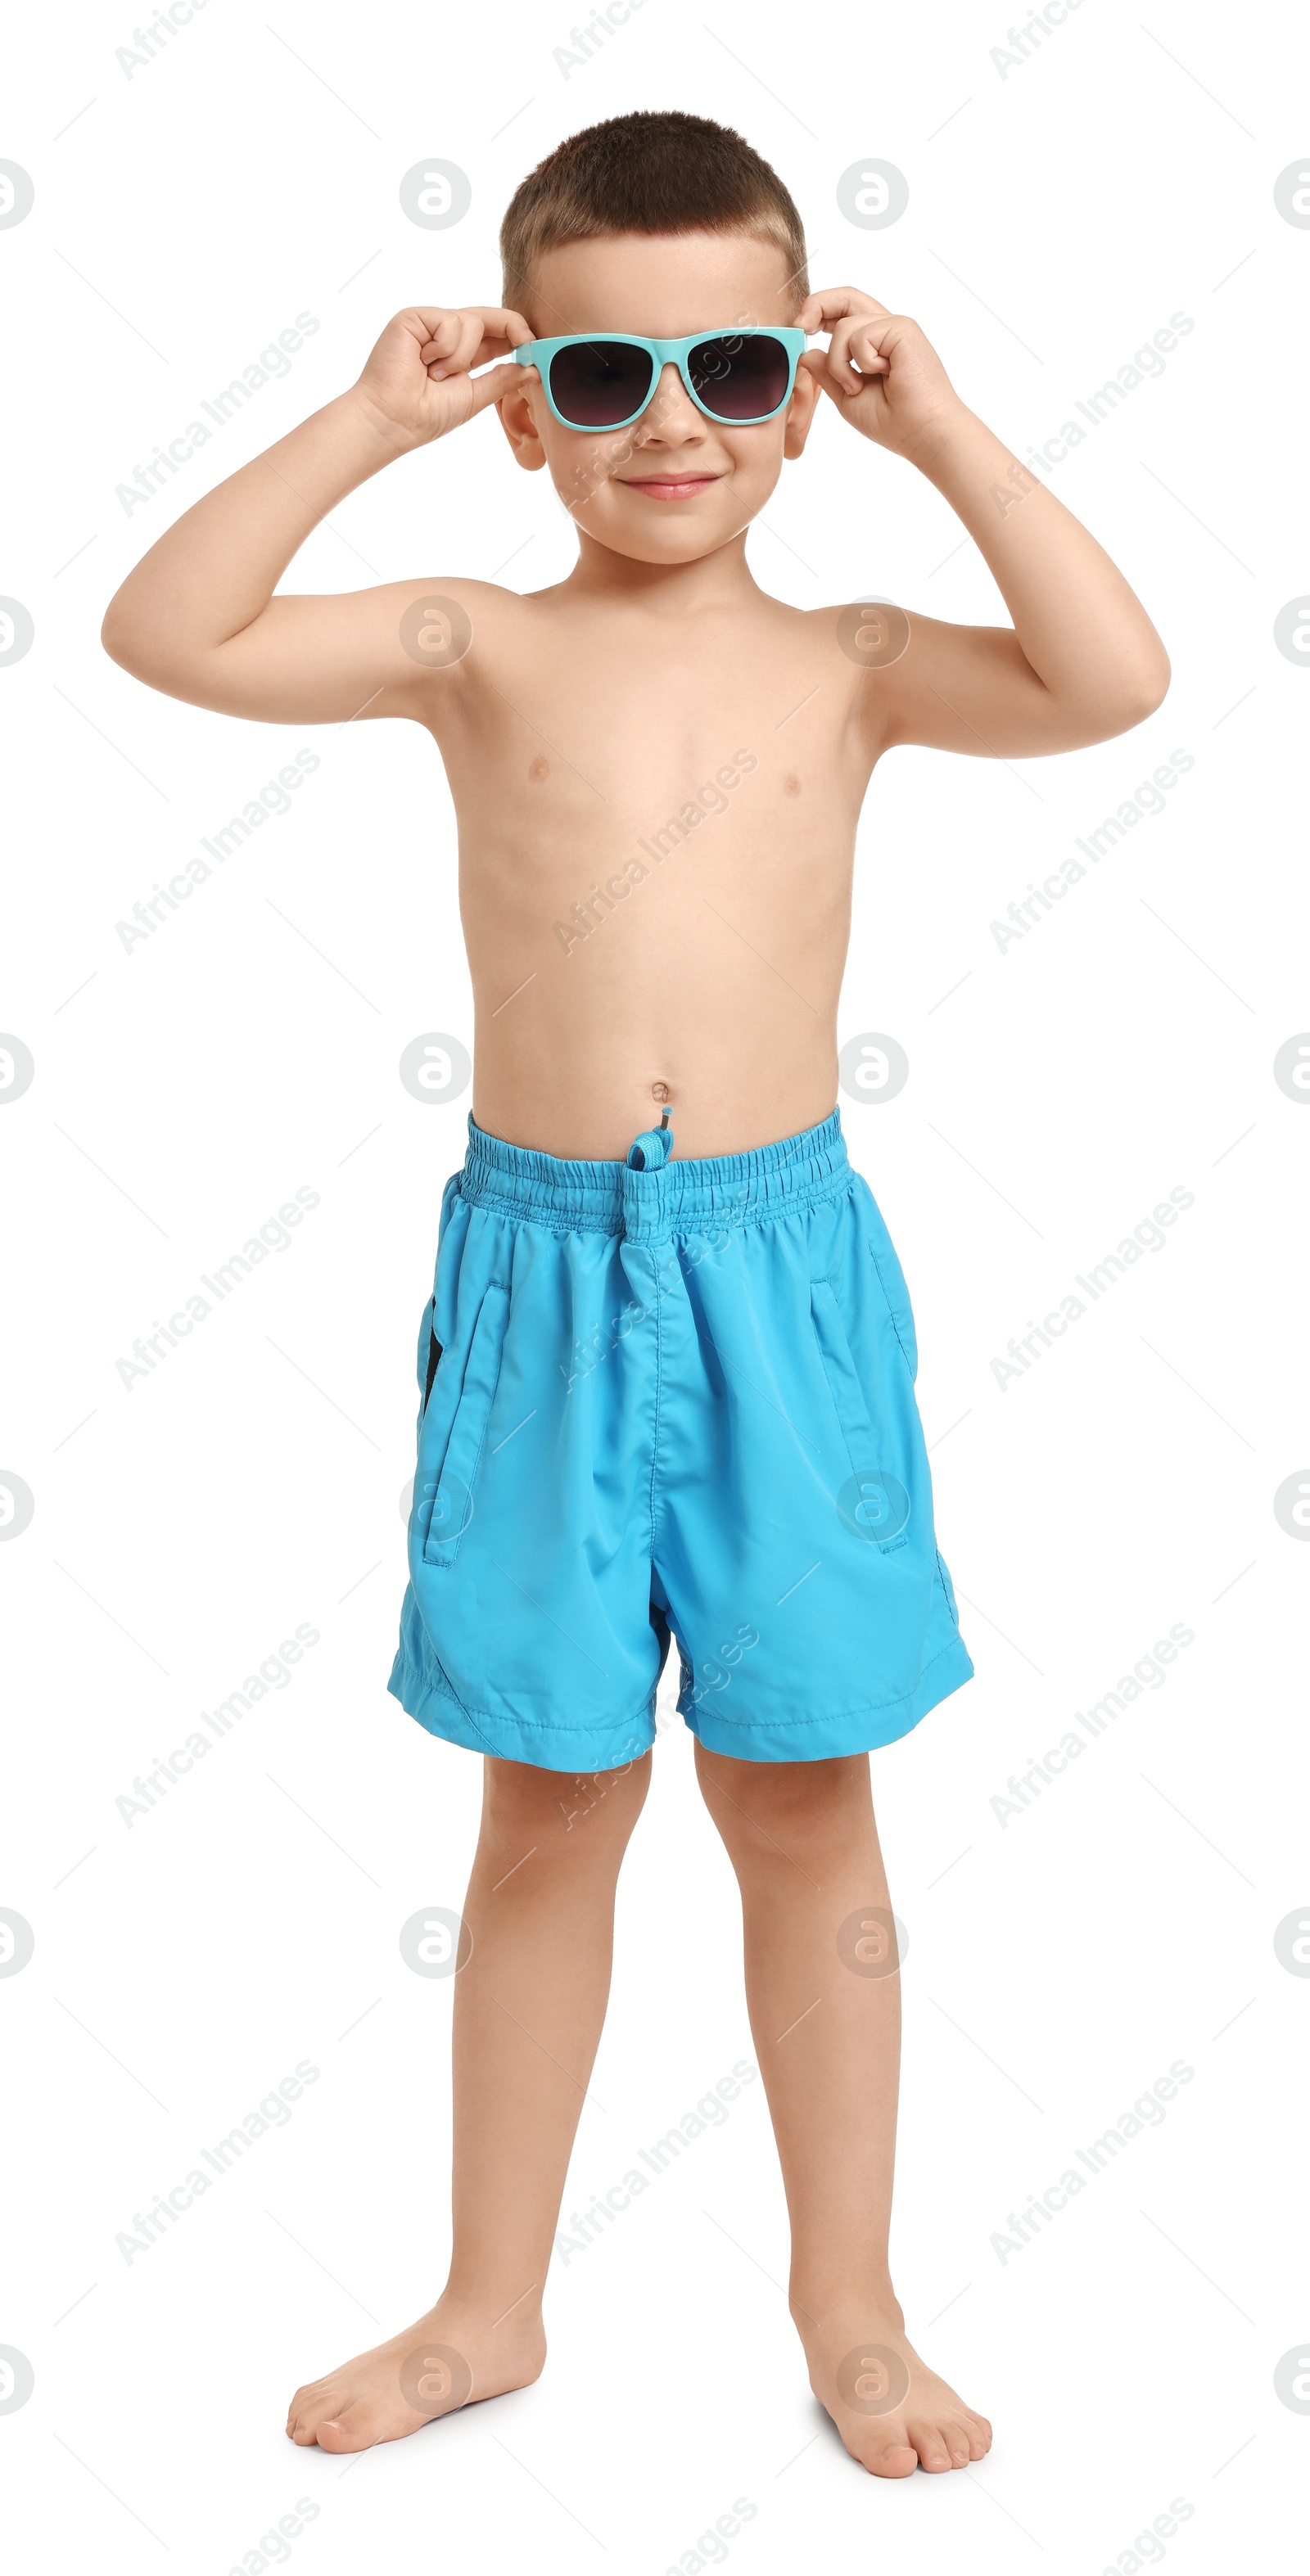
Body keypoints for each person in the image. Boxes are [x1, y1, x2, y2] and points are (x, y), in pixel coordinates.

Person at [102, 109, 1168, 2476]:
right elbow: (165, 628)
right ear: (523, 408)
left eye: (727, 366)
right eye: (598, 378)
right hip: (544, 1280)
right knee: (548, 1805)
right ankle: (490, 2305)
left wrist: (954, 428)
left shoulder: (861, 656)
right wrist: (367, 414)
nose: (668, 421)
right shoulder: (475, 643)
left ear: (806, 386)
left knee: (809, 1806)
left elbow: (1113, 677)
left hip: (781, 1283)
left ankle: (853, 2302)